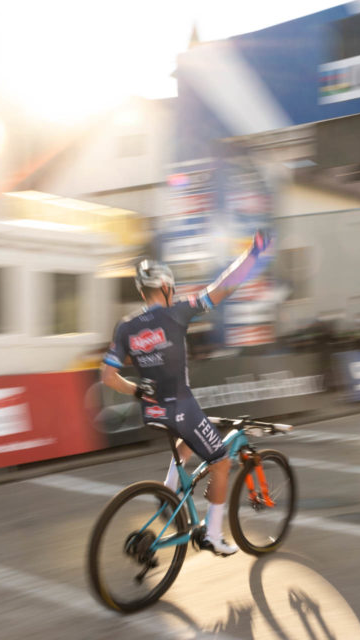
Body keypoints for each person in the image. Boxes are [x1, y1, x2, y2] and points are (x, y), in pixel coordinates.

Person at [99, 231, 271, 556]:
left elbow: (107, 376)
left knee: (189, 439)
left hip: (153, 411)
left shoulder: (125, 327)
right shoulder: (176, 312)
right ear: (166, 287)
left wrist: (138, 391)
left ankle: (168, 493)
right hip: (179, 406)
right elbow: (223, 286)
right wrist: (253, 255)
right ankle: (214, 535)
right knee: (220, 461)